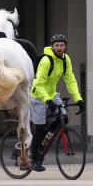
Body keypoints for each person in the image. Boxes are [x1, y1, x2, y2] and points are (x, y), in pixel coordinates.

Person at [29, 34, 85, 172]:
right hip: (38, 95)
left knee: (63, 118)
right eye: (57, 46)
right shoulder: (46, 61)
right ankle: (34, 158)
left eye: (62, 45)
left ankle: (44, 143)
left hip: (52, 94)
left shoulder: (66, 60)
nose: (59, 48)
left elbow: (70, 80)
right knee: (40, 128)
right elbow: (38, 83)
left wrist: (78, 99)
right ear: (52, 46)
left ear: (65, 46)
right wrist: (47, 100)